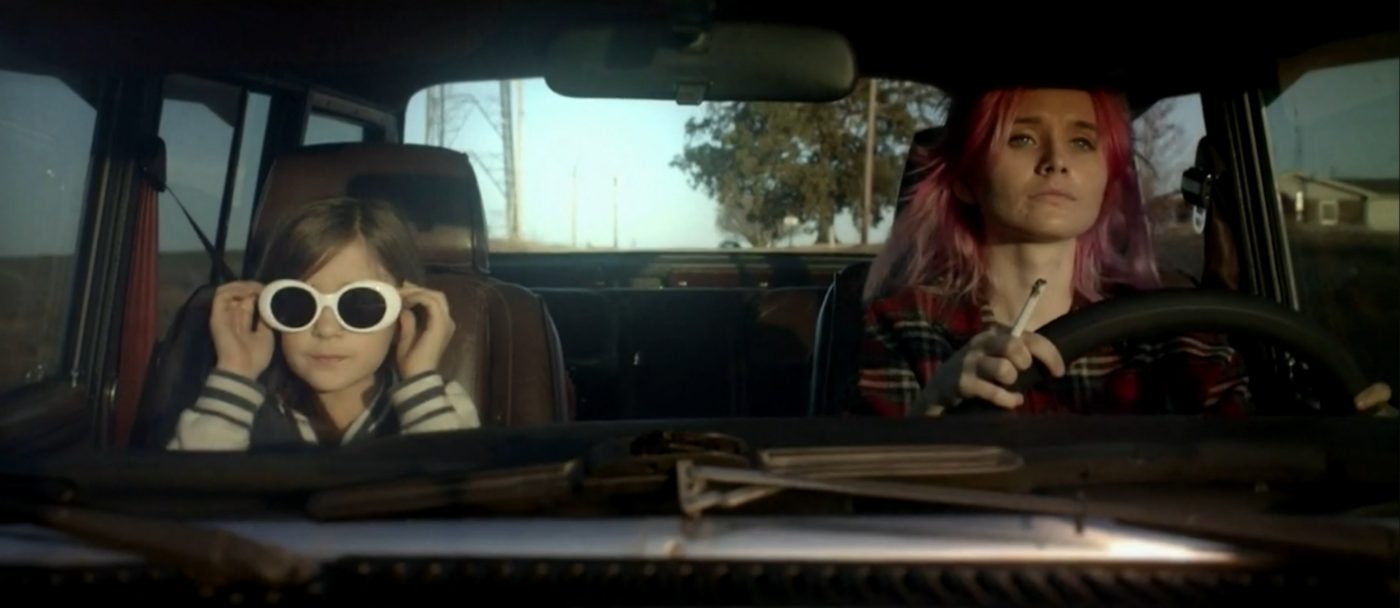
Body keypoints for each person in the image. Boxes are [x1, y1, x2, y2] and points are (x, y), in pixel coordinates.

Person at [855, 85, 1393, 417]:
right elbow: (859, 513)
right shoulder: (907, 326)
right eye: (1022, 138)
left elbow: (1255, 485)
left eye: (1082, 142)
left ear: (1107, 180)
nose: (1056, 161)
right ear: (966, 179)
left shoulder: (1178, 338)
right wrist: (929, 413)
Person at [168, 197, 480, 450]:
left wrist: (421, 380)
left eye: (360, 304)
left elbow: (458, 500)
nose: (326, 329)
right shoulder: (233, 409)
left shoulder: (442, 408)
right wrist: (235, 371)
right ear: (268, 308)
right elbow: (187, 498)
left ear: (405, 311)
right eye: (297, 302)